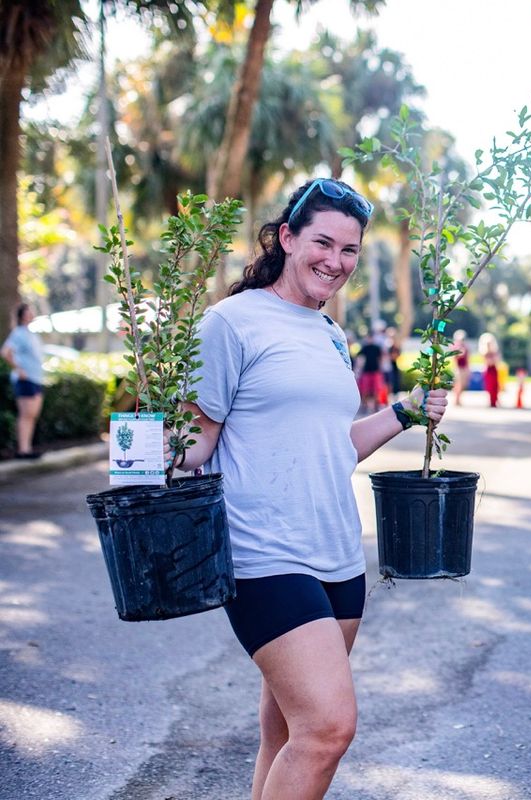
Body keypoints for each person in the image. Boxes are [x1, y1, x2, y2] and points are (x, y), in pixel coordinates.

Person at [171, 178, 449, 800]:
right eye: (323, 242)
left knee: (287, 734)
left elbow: (331, 447)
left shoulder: (327, 332)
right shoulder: (231, 322)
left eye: (350, 250)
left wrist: (404, 413)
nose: (336, 261)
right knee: (327, 729)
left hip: (337, 554)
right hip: (263, 555)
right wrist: (145, 447)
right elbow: (195, 443)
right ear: (288, 238)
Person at [2, 302, 45, 459]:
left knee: (32, 415)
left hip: (36, 379)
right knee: (26, 415)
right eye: (28, 311)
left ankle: (27, 448)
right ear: (22, 315)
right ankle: (23, 450)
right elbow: (5, 352)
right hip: (25, 380)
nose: (31, 313)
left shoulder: (31, 334)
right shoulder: (19, 333)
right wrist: (18, 369)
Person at [354, 326, 386, 414]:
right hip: (367, 371)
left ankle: (376, 406)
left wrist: (381, 369)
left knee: (376, 390)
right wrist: (358, 369)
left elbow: (381, 359)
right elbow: (360, 358)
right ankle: (366, 406)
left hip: (375, 371)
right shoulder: (365, 348)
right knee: (366, 390)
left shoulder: (377, 347)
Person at [479, 332, 501, 408]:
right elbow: (487, 362)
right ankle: (491, 402)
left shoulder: (494, 352)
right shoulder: (485, 353)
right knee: (489, 387)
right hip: (488, 370)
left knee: (495, 386)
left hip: (494, 370)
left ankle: (495, 401)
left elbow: (496, 361)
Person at [451, 329, 470, 405]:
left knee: (463, 384)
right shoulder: (455, 346)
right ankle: (456, 400)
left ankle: (459, 399)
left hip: (464, 368)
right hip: (458, 368)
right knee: (458, 384)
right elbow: (455, 357)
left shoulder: (465, 346)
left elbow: (468, 358)